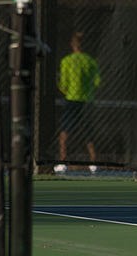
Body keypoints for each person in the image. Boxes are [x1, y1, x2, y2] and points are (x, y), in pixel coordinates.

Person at [54, 32, 101, 173]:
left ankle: (63, 162)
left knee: (64, 132)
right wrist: (88, 91)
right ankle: (94, 163)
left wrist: (67, 90)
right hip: (87, 100)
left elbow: (63, 84)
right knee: (88, 131)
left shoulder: (66, 61)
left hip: (71, 100)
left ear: (72, 45)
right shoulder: (91, 61)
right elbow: (97, 82)